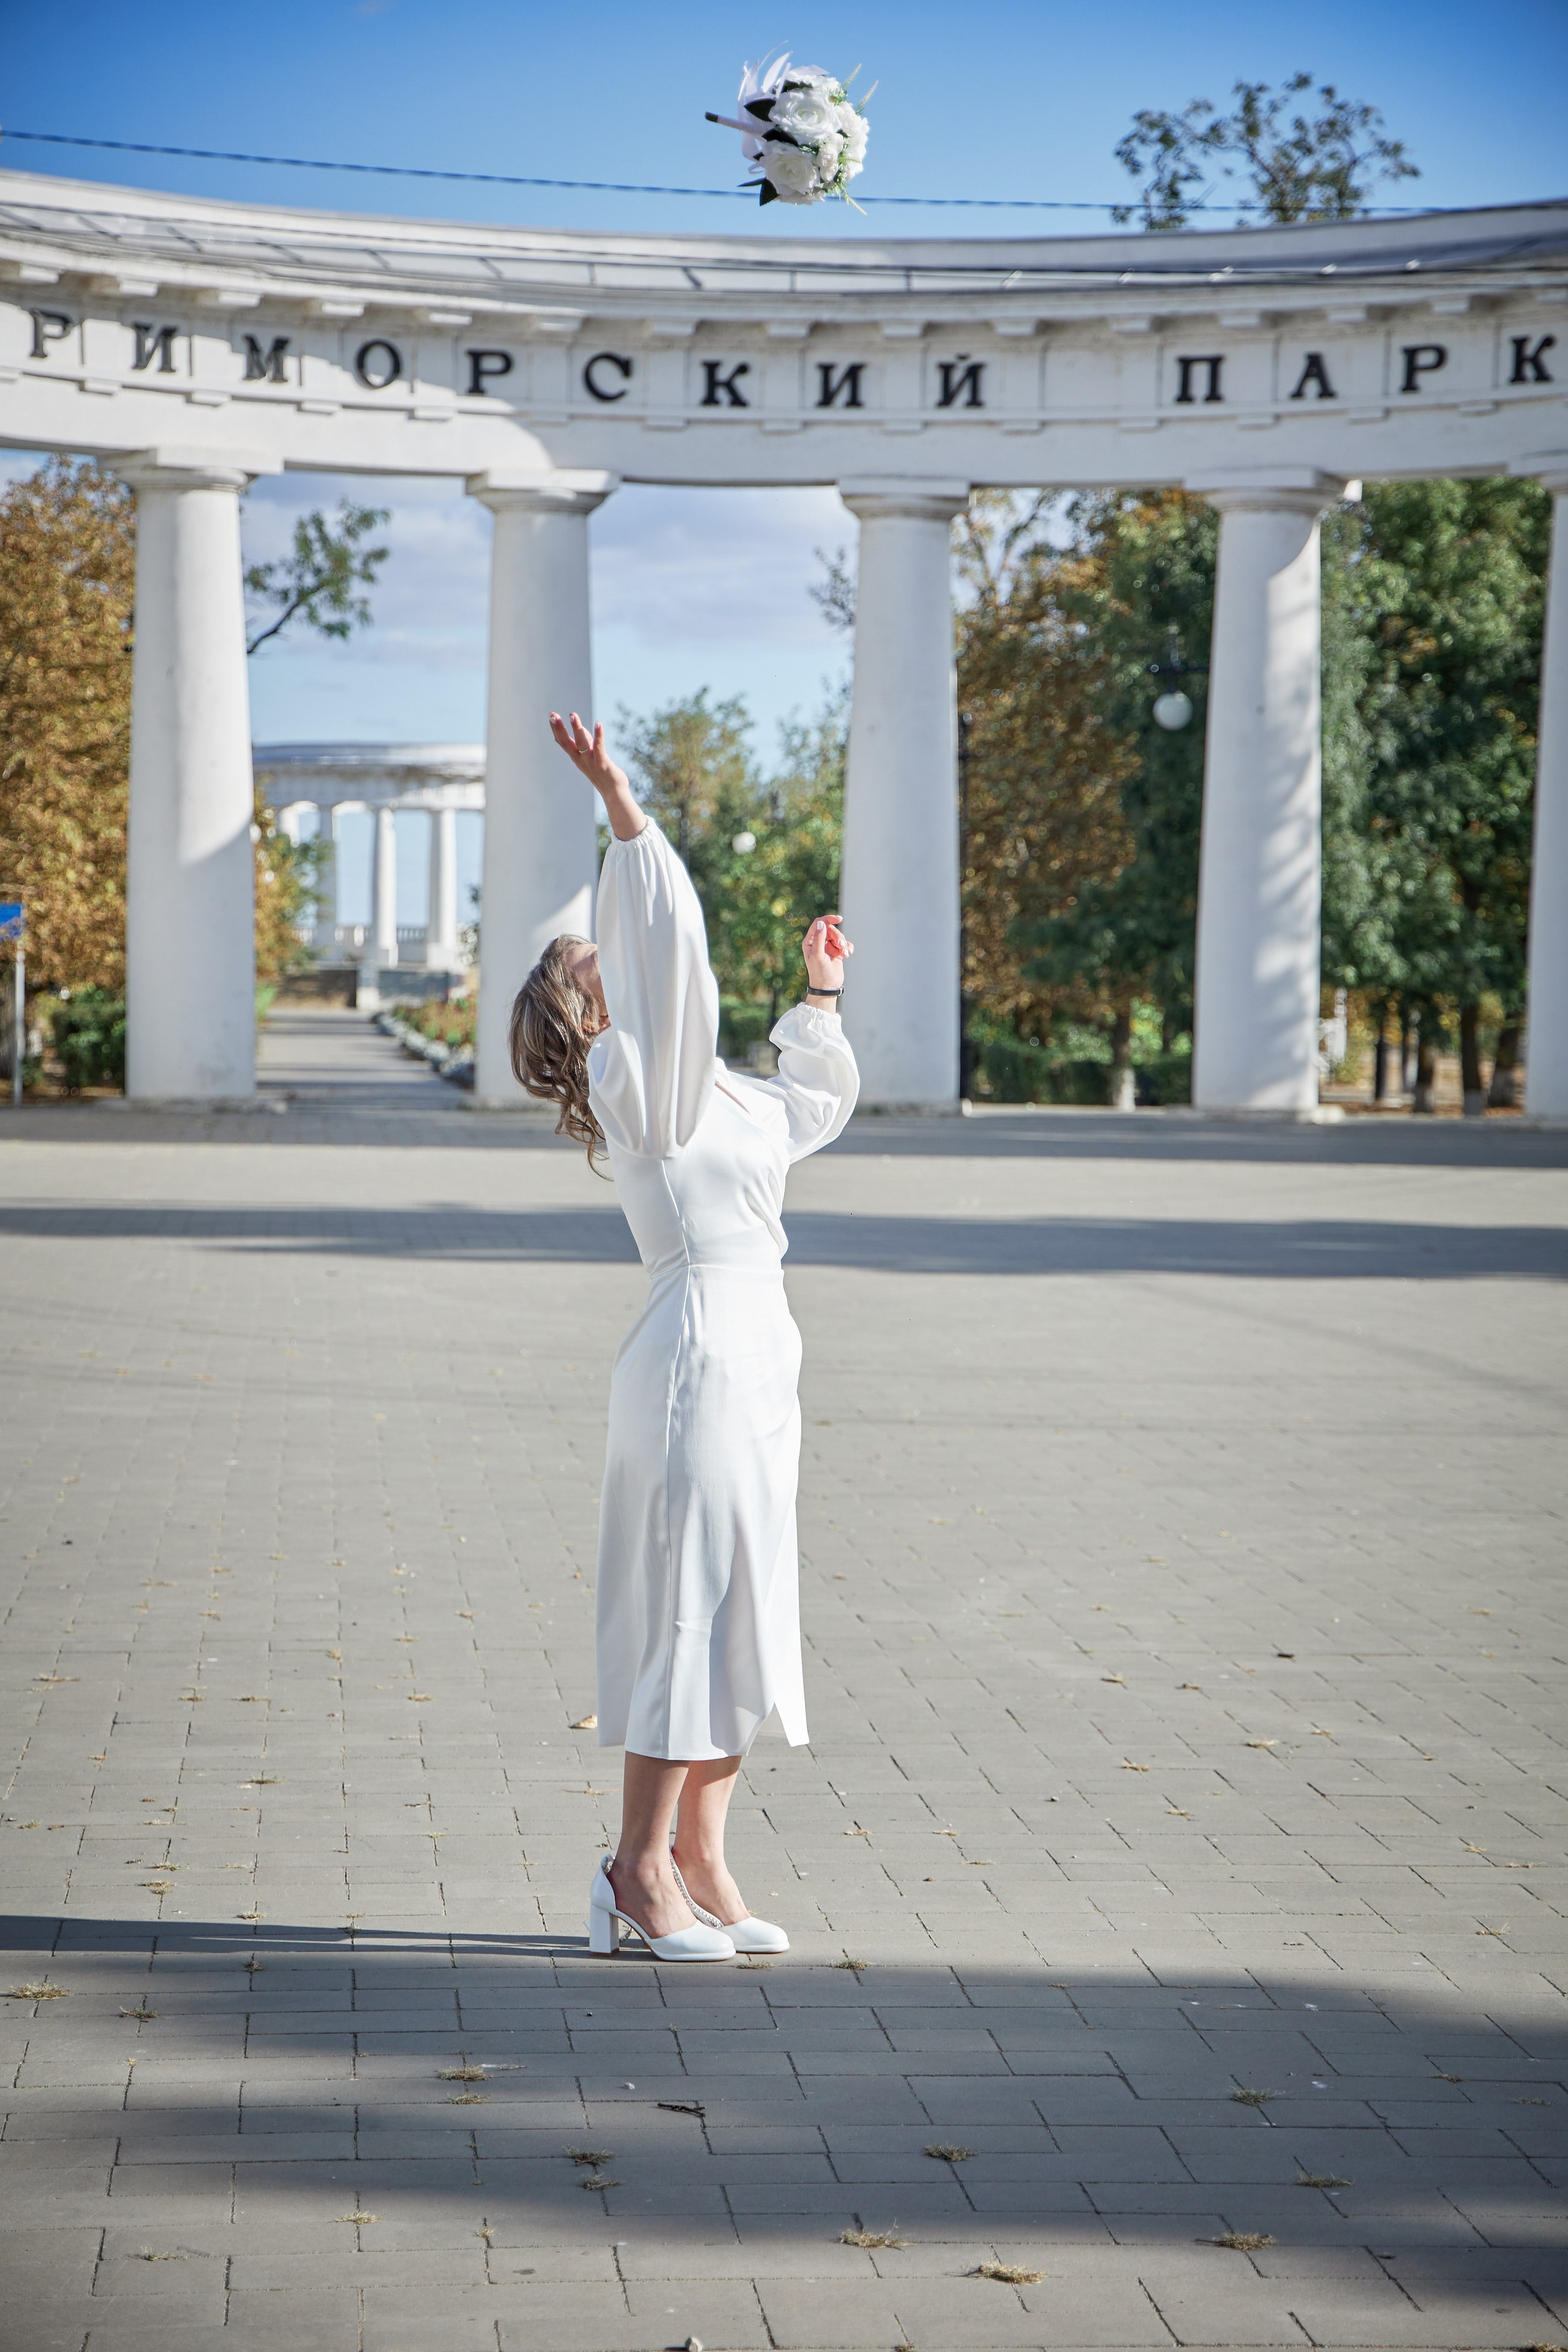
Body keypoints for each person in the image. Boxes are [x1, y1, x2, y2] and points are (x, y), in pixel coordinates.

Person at [509, 712, 860, 1962]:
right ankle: (632, 1871)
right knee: (681, 1607)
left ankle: (703, 1857)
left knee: (742, 1602)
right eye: (584, 955)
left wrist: (818, 995)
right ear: (582, 1011)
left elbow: (808, 1108)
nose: (604, 949)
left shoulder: (710, 1087)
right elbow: (668, 952)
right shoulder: (630, 1082)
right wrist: (620, 807)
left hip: (761, 1348)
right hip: (695, 1354)